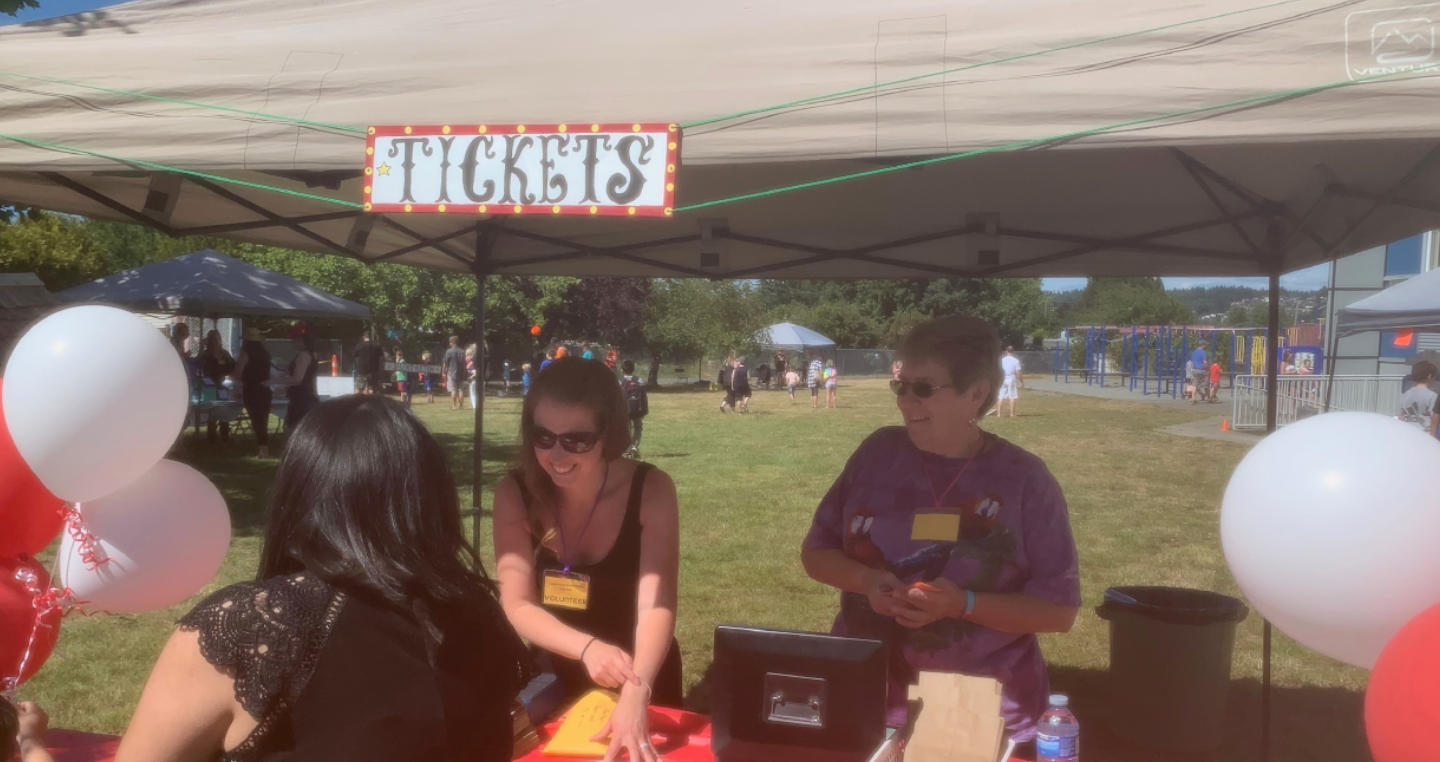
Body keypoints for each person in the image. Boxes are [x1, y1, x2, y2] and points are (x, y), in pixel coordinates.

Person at [114, 396, 530, 762]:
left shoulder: (249, 626)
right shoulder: (477, 615)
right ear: (430, 499)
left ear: (299, 491)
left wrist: (43, 751)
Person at [800, 315, 1080, 752]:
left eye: (924, 388)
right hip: (866, 700)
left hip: (978, 715)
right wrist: (867, 581)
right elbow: (816, 553)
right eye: (901, 386)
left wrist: (962, 604)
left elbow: (1058, 612)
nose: (905, 401)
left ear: (977, 394)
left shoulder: (1024, 480)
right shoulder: (877, 453)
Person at [492, 357, 681, 762]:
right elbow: (516, 603)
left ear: (609, 435)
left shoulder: (652, 489)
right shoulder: (514, 493)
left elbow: (656, 605)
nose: (556, 455)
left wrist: (637, 687)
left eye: (576, 440)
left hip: (643, 667)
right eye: (543, 437)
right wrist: (587, 648)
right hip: (554, 673)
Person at [233, 326, 273, 458]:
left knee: (257, 420)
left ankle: (263, 450)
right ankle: (264, 448)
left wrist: (234, 377)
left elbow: (238, 371)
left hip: (252, 389)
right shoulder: (265, 353)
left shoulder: (246, 352)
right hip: (265, 389)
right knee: (263, 419)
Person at [274, 324, 319, 432]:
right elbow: (311, 377)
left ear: (301, 340)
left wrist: (275, 381)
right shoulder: (313, 354)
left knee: (293, 430)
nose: (292, 342)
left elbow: (297, 379)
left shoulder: (303, 355)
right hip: (308, 396)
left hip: (301, 398)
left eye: (294, 340)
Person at [201, 330, 237, 443]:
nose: (215, 342)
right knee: (212, 410)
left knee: (223, 409)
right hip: (209, 386)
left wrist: (226, 376)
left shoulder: (225, 354)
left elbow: (233, 367)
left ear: (220, 340)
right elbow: (202, 369)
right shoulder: (205, 355)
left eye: (217, 339)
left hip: (223, 386)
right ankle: (211, 436)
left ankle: (224, 434)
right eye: (212, 340)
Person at [1399, 361, 1438, 435]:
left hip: (1407, 432)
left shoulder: (1405, 394)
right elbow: (1434, 418)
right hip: (1425, 434)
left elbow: (1401, 416)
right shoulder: (1433, 396)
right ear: (1429, 376)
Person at [620, 360, 649, 459]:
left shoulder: (619, 382)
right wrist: (645, 410)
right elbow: (644, 397)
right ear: (633, 369)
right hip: (637, 409)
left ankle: (627, 449)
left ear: (622, 370)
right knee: (638, 427)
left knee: (626, 430)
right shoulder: (639, 380)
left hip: (624, 410)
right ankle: (634, 447)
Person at [353, 331, 386, 396]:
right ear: (371, 337)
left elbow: (354, 356)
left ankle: (357, 403)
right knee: (371, 389)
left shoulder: (359, 346)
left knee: (358, 389)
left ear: (363, 337)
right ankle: (370, 403)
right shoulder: (377, 346)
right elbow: (382, 358)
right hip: (373, 371)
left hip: (361, 371)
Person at [442, 336, 467, 411]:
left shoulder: (449, 351)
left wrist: (443, 372)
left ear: (452, 342)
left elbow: (445, 363)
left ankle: (454, 405)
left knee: (453, 389)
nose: (449, 343)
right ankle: (461, 405)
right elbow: (464, 362)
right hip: (461, 373)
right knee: (460, 389)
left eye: (450, 342)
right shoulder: (462, 351)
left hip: (451, 372)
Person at [466, 343, 480, 410]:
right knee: (475, 392)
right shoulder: (479, 355)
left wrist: (466, 367)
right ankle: (477, 405)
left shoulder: (474, 356)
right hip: (477, 375)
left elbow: (470, 364)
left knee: (472, 392)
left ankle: (475, 406)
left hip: (473, 375)